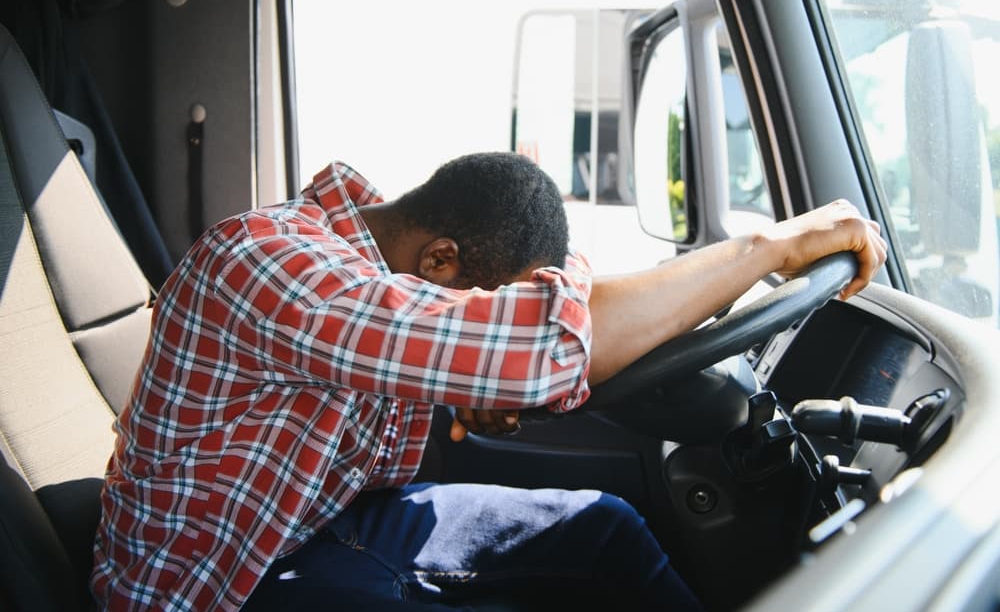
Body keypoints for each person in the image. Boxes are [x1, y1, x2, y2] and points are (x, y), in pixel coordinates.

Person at [91, 152, 887, 611]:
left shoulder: (391, 261)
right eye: (482, 302)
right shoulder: (272, 263)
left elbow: (520, 318)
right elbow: (545, 338)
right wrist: (768, 249)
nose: (480, 319)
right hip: (212, 585)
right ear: (440, 260)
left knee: (606, 527)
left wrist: (460, 385)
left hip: (322, 521)